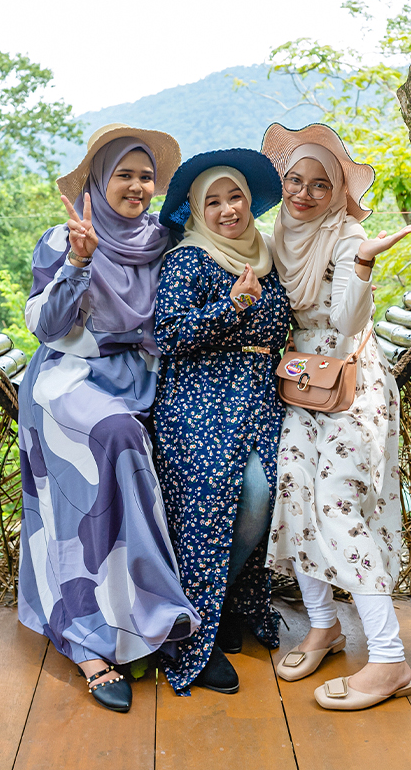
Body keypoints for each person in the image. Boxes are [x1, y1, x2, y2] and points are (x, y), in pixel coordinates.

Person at [15, 123, 197, 714]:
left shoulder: (164, 241)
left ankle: (152, 619)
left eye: (146, 176)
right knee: (115, 437)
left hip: (141, 378)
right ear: (98, 179)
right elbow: (45, 327)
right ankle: (92, 638)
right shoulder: (63, 239)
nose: (138, 186)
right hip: (70, 378)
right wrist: (76, 262)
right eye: (124, 174)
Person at [259, 122, 411, 711]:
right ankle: (323, 626)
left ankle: (388, 657)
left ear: (338, 192)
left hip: (352, 380)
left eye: (319, 185)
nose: (303, 194)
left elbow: (350, 322)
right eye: (294, 181)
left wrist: (366, 267)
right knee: (294, 492)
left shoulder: (347, 234)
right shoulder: (279, 233)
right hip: (303, 379)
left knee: (336, 501)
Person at [150, 149, 292, 696]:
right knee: (226, 493)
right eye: (213, 201)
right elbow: (170, 335)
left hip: (259, 395)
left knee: (274, 488)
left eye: (235, 196)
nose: (228, 209)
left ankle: (221, 602)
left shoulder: (268, 255)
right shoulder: (187, 261)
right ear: (194, 210)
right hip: (198, 396)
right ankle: (193, 629)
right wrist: (228, 309)